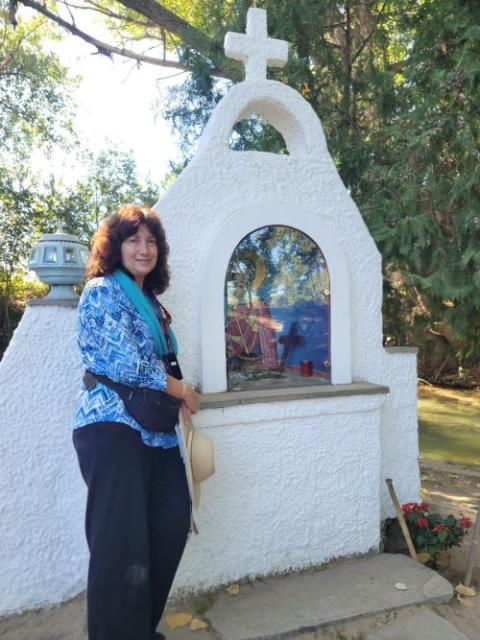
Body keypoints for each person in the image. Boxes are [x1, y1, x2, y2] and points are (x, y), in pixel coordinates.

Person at [73, 203, 200, 640]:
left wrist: (178, 392)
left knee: (170, 525)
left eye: (151, 241)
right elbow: (126, 364)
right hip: (111, 427)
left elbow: (160, 363)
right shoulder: (103, 291)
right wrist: (181, 390)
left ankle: (137, 630)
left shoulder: (150, 303)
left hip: (156, 434)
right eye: (133, 240)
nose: (144, 249)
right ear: (115, 247)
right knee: (120, 545)